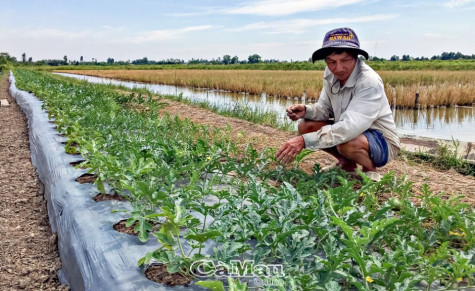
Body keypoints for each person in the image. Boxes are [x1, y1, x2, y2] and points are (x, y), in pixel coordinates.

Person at [276, 27, 400, 180]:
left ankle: (370, 168)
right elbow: (325, 108)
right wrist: (306, 110)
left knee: (347, 141)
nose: (338, 68)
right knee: (306, 125)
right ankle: (346, 164)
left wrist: (304, 141)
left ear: (356, 57)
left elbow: (349, 127)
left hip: (382, 141)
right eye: (331, 62)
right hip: (352, 133)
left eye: (345, 60)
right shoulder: (330, 73)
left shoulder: (369, 82)